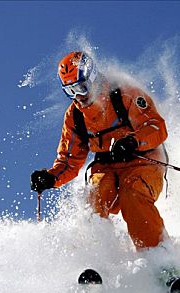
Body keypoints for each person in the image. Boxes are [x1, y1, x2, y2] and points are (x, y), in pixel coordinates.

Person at [31, 51, 169, 250]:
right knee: (94, 197)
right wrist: (51, 177)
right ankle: (97, 260)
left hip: (144, 161)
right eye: (70, 92)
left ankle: (160, 258)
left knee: (132, 195)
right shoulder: (75, 116)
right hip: (106, 167)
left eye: (81, 87)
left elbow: (156, 126)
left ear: (92, 77)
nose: (78, 96)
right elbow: (69, 160)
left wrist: (132, 142)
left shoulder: (125, 94)